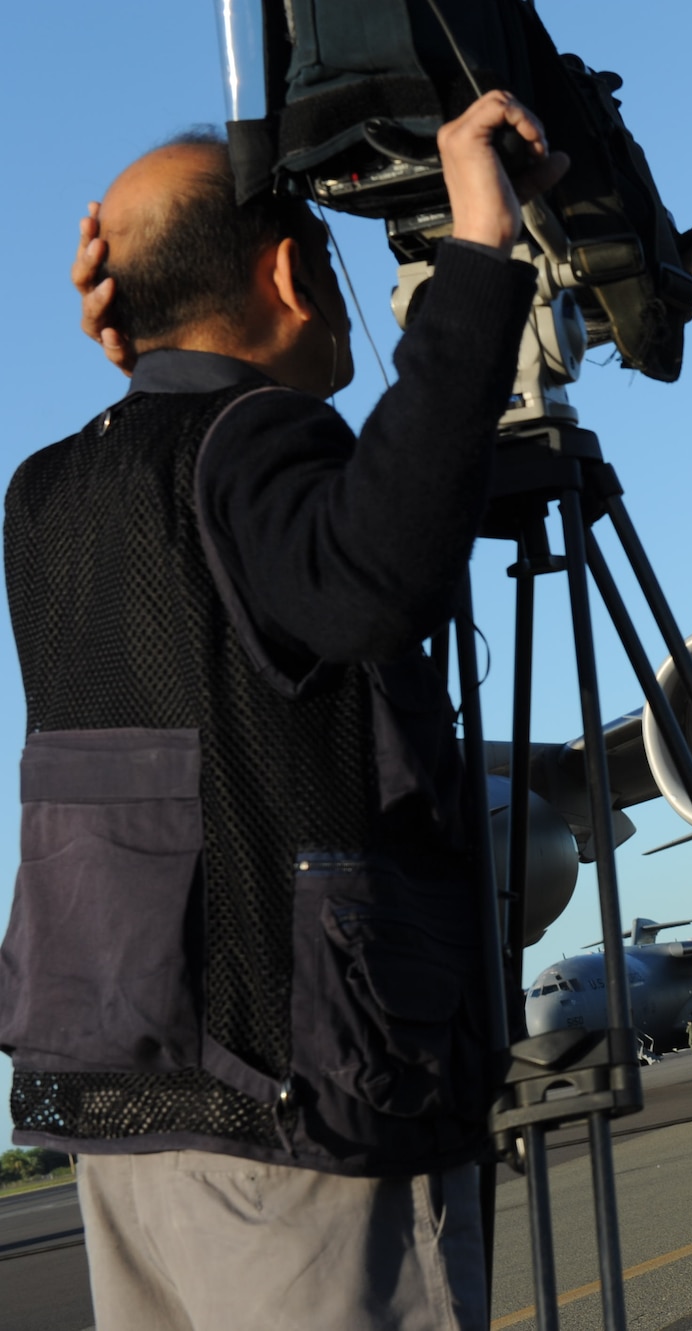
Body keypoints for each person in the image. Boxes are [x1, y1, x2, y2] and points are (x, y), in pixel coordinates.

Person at [0, 92, 566, 1330]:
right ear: (287, 270)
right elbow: (373, 579)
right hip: (299, 1106)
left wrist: (162, 374)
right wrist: (478, 259)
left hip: (129, 1091)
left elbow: (206, 635)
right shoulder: (256, 445)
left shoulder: (43, 494)